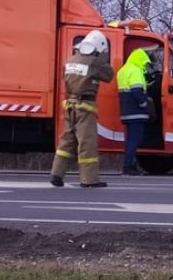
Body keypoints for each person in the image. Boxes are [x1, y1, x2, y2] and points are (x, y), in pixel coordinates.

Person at [50, 30, 113, 188]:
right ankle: (89, 180)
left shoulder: (70, 60)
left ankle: (56, 175)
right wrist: (102, 58)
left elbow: (66, 83)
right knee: (87, 143)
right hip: (85, 108)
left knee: (66, 141)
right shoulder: (94, 62)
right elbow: (109, 75)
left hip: (70, 106)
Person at [117, 48, 153, 176]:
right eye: (144, 62)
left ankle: (129, 164)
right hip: (136, 111)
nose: (145, 65)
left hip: (126, 111)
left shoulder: (123, 70)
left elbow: (128, 87)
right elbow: (137, 90)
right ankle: (128, 166)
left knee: (130, 139)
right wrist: (144, 103)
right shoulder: (136, 71)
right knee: (136, 139)